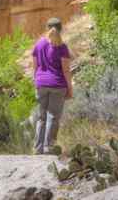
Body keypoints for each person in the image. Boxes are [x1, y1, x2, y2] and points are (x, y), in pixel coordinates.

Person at [31, 17, 73, 155]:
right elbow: (66, 70)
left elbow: (35, 66)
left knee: (41, 117)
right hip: (57, 85)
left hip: (41, 84)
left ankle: (38, 148)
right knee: (53, 117)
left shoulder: (39, 44)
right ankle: (48, 148)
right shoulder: (62, 47)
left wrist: (35, 82)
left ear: (46, 28)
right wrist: (70, 89)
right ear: (61, 29)